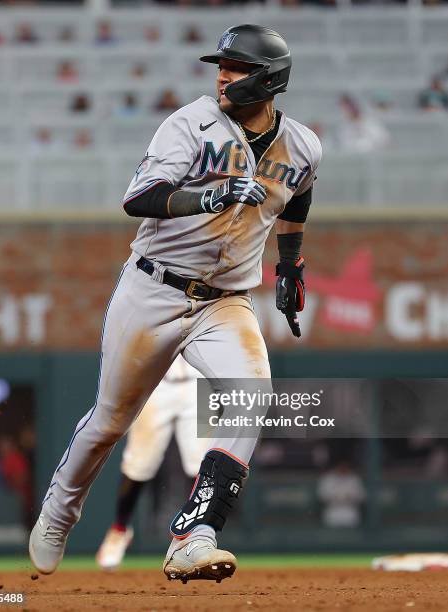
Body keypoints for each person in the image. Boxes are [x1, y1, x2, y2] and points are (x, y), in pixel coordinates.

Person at [29, 24, 321, 583]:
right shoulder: (190, 122)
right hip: (154, 288)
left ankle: (195, 536)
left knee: (251, 396)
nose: (222, 75)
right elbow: (137, 197)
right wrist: (207, 195)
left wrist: (289, 266)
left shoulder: (304, 145)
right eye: (222, 65)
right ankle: (60, 512)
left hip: (225, 302)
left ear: (269, 79)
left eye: (235, 67)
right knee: (112, 420)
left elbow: (298, 200)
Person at [96, 355, 207, 569]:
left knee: (203, 468)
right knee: (138, 466)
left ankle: (195, 536)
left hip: (198, 382)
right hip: (156, 384)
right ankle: (119, 530)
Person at [317, 461, 365, 528]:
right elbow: (322, 496)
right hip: (332, 510)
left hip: (350, 510)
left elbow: (361, 497)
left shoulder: (354, 479)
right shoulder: (328, 478)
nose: (342, 468)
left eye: (345, 466)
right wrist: (337, 497)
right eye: (340, 466)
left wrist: (348, 497)